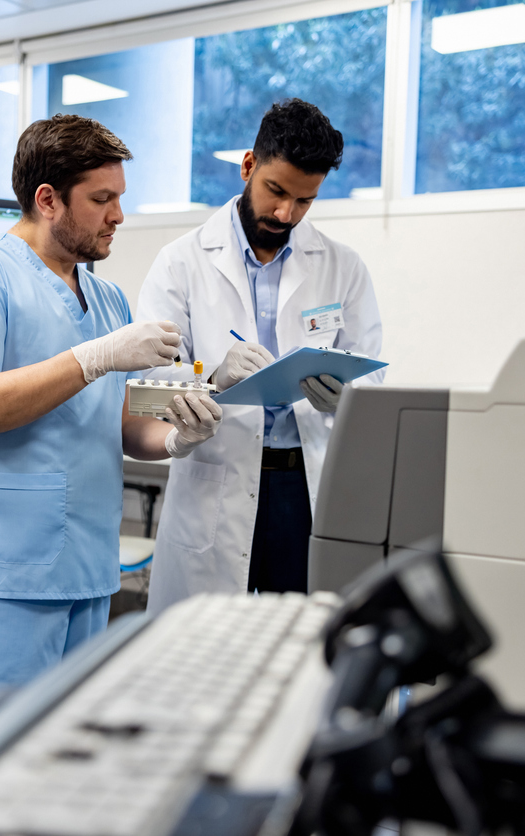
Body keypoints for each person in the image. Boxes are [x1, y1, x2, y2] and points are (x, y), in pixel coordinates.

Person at [0, 115, 223, 718]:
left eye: (119, 199)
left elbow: (120, 420)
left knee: (58, 753)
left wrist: (177, 437)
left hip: (86, 565)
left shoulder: (107, 297)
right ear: (48, 200)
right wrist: (93, 357)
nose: (117, 216)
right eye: (102, 199)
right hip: (4, 569)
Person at [136, 98, 384, 613]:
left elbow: (371, 374)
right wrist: (212, 379)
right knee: (205, 648)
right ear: (249, 166)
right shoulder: (180, 262)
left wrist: (345, 397)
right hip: (215, 474)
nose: (285, 213)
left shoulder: (343, 267)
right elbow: (151, 381)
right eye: (276, 191)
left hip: (304, 482)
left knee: (298, 644)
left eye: (304, 201)